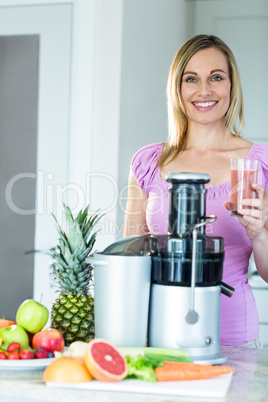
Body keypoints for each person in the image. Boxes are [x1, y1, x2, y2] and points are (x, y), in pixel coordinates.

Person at [123, 34, 268, 347]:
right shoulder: (149, 162)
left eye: (216, 77)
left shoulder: (257, 164)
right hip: (158, 334)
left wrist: (259, 233)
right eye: (192, 79)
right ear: (178, 88)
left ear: (232, 85)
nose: (204, 90)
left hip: (232, 338)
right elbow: (130, 261)